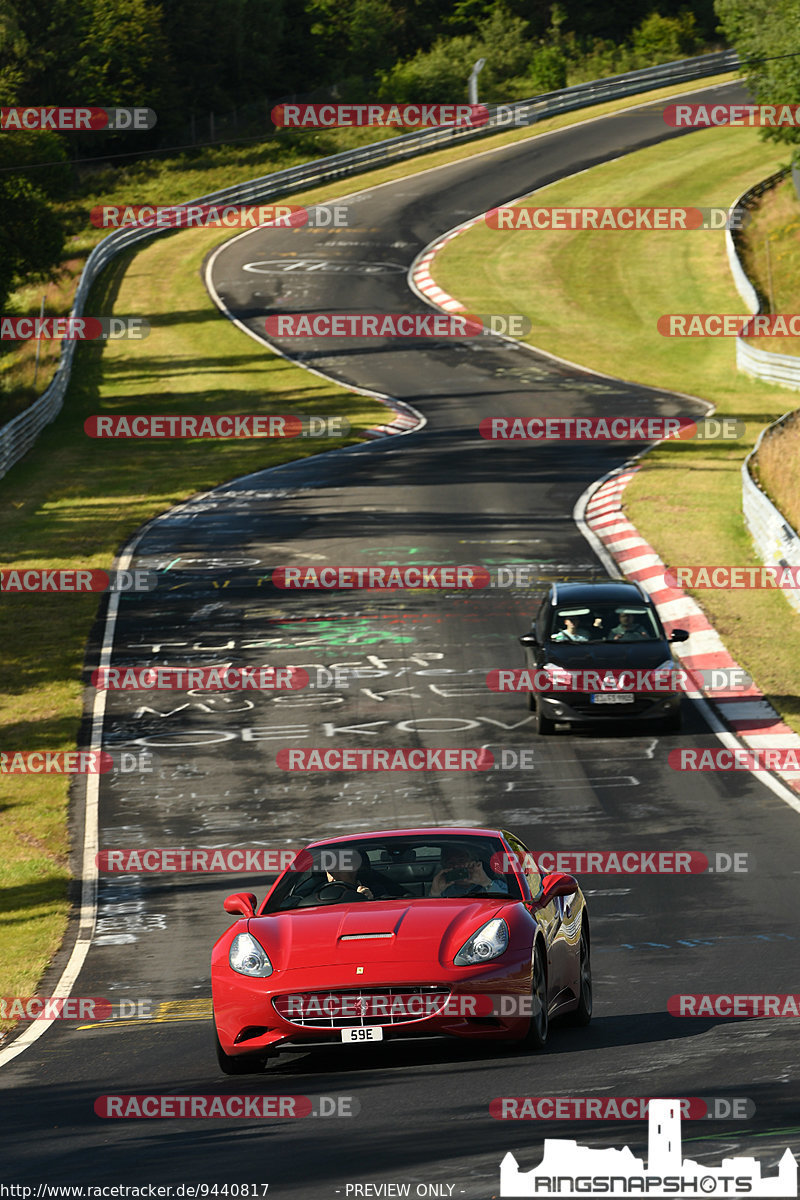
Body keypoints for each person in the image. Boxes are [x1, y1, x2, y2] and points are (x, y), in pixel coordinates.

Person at [429, 846, 508, 897]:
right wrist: (435, 892)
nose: (456, 866)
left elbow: (509, 905)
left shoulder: (495, 885)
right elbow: (431, 914)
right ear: (445, 868)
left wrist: (485, 882)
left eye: (461, 861)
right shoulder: (444, 891)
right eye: (451, 863)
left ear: (473, 862)